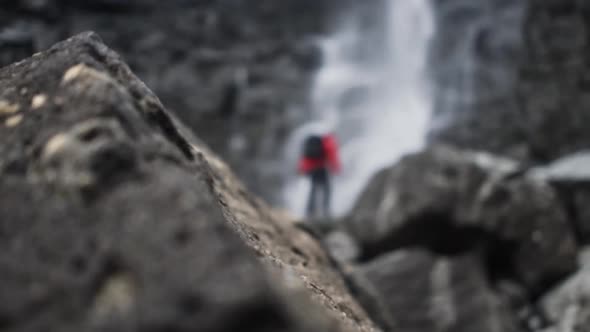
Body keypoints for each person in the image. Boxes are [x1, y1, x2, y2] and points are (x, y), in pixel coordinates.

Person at [298, 133, 341, 218]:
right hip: (320, 167)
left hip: (310, 167)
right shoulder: (328, 142)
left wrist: (302, 169)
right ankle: (325, 211)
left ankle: (310, 211)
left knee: (314, 189)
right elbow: (332, 156)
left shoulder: (314, 141)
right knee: (326, 189)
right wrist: (336, 168)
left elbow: (304, 157)